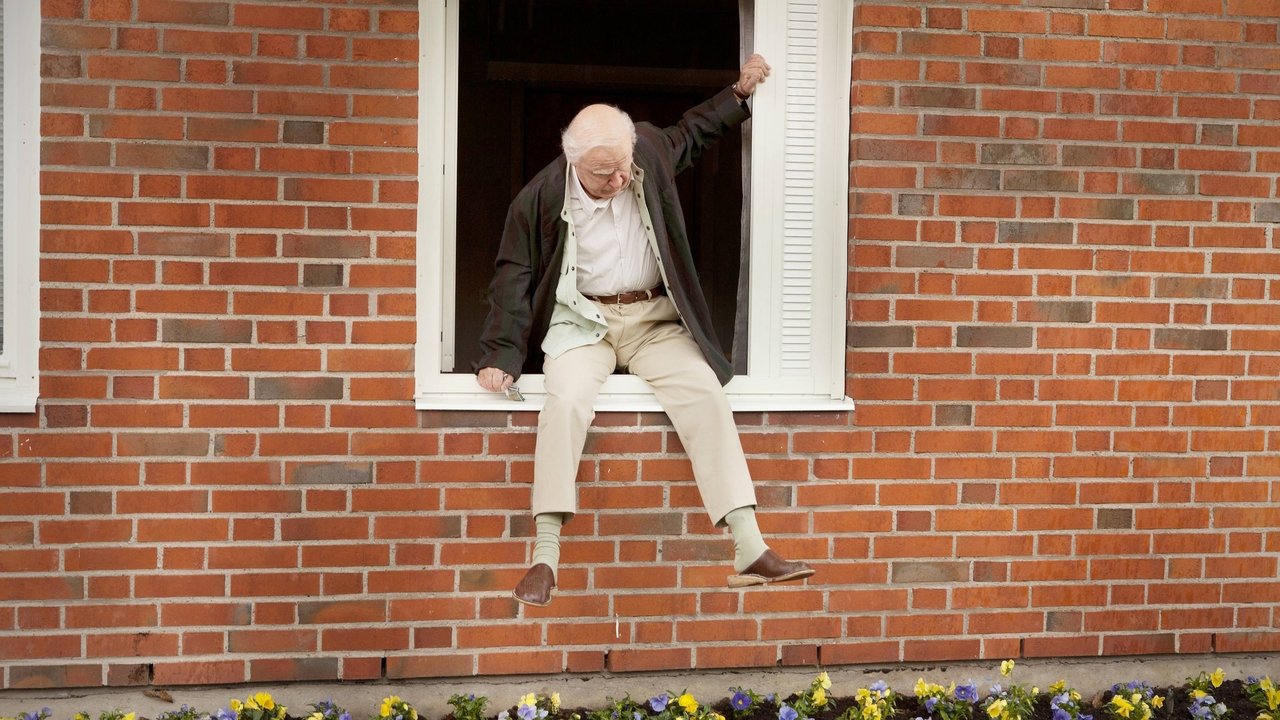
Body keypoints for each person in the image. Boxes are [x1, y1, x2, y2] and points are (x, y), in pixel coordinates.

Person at [476, 54, 814, 608]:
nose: (619, 178)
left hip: (654, 320)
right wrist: (499, 354)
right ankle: (545, 556)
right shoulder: (539, 197)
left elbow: (692, 132)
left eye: (623, 165)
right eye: (603, 173)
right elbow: (511, 275)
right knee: (564, 401)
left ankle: (750, 548)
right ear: (573, 163)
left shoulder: (645, 154)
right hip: (583, 321)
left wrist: (738, 93)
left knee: (705, 392)